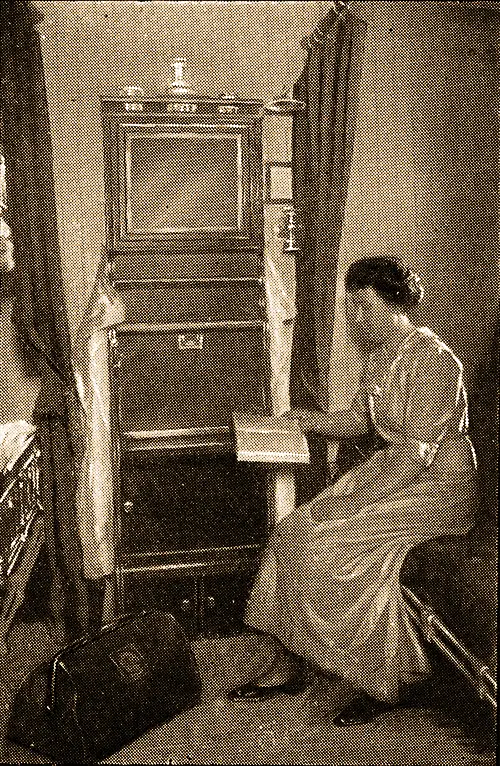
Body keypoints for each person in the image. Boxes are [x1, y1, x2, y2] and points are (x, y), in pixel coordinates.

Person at [228, 256, 478, 726]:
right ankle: (294, 659)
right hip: (396, 470)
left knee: (321, 542)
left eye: (364, 307)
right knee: (292, 532)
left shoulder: (434, 359)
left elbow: (418, 451)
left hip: (436, 484)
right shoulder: (380, 354)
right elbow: (363, 424)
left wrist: (354, 501)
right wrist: (306, 420)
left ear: (395, 303)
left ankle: (391, 681)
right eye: (351, 308)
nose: (355, 320)